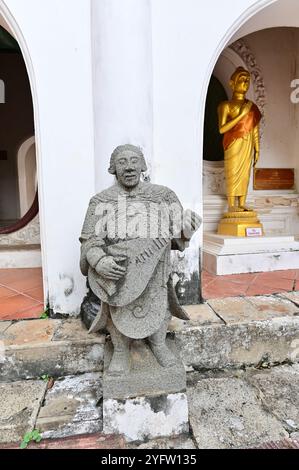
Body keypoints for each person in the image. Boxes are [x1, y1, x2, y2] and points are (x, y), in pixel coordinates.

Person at [80, 144, 201, 376]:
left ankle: (158, 343)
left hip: (156, 269)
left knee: (159, 301)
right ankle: (121, 350)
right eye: (122, 162)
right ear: (113, 168)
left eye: (134, 161)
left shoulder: (164, 196)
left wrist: (186, 229)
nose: (129, 167)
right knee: (118, 305)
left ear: (143, 165)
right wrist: (98, 261)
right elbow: (89, 242)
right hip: (119, 270)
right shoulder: (100, 201)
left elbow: (176, 238)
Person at [218, 67, 262, 212]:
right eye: (242, 79)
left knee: (245, 173)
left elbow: (254, 127)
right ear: (232, 83)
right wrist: (241, 115)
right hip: (233, 143)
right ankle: (231, 205)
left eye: (247, 80)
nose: (245, 82)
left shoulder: (251, 107)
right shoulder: (225, 105)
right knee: (233, 172)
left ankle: (242, 203)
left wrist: (257, 147)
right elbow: (222, 129)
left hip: (247, 143)